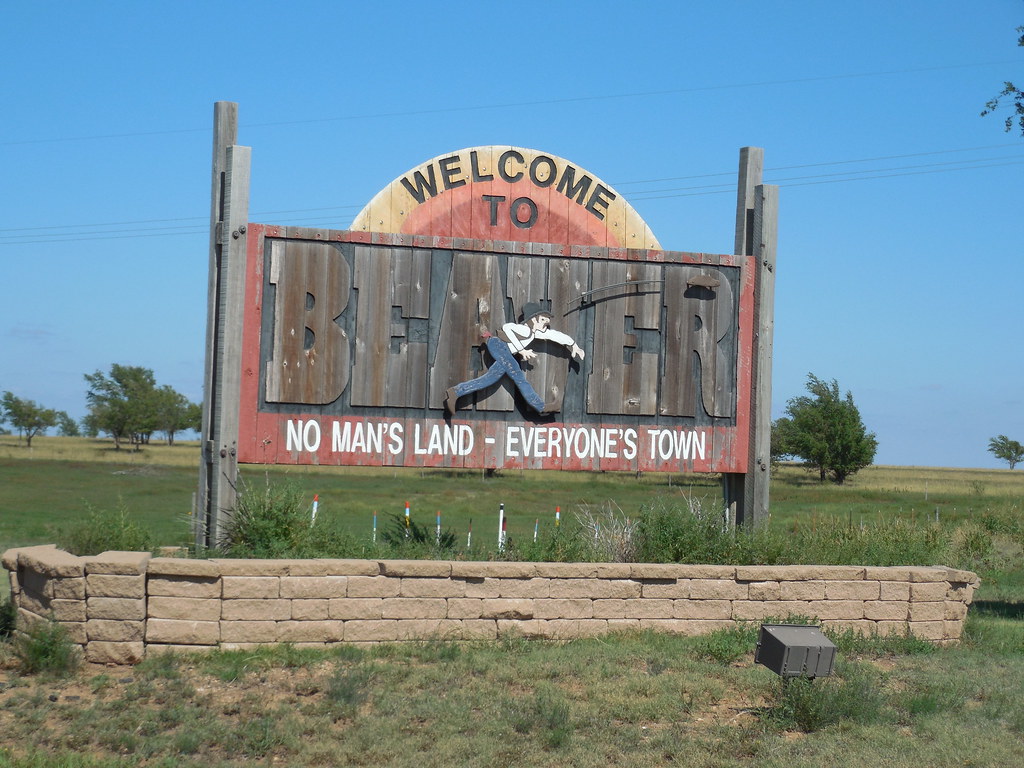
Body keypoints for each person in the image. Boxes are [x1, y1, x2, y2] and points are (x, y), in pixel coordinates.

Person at [444, 302, 584, 415]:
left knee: (488, 379)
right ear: (533, 320)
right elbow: (508, 327)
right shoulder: (525, 330)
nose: (545, 324)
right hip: (497, 344)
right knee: (518, 377)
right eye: (542, 320)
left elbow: (555, 335)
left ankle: (455, 392)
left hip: (503, 350)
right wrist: (521, 350)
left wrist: (574, 345)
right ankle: (541, 406)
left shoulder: (535, 333)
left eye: (546, 321)